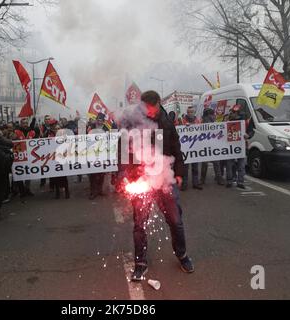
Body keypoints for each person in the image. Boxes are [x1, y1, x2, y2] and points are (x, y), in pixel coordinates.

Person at [119, 91, 194, 281]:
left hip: (164, 177)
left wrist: (178, 173)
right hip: (141, 177)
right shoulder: (132, 121)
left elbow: (176, 148)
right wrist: (123, 176)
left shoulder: (167, 121)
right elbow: (122, 149)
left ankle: (182, 255)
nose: (150, 114)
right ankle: (140, 263)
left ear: (159, 104)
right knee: (140, 225)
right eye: (147, 111)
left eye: (153, 110)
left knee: (175, 221)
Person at [200, 108, 224, 186]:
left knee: (205, 164)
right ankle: (219, 178)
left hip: (206, 145)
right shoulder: (213, 120)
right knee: (216, 163)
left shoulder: (203, 121)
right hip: (213, 144)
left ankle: (202, 180)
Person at [181, 106, 203, 191]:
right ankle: (184, 184)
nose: (190, 113)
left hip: (195, 147)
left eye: (192, 112)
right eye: (189, 112)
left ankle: (195, 183)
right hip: (186, 147)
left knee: (195, 167)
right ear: (187, 112)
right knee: (185, 168)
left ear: (194, 113)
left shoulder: (198, 121)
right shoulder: (182, 121)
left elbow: (202, 132)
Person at [87, 113, 108, 200]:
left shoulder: (106, 128)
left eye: (101, 120)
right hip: (92, 152)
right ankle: (93, 191)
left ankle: (100, 190)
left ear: (103, 121)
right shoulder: (91, 127)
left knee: (101, 173)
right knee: (92, 174)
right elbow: (85, 137)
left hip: (102, 152)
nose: (99, 121)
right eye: (98, 119)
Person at [13, 118, 36, 198]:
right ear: (21, 124)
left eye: (26, 123)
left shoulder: (32, 132)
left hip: (30, 156)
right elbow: (12, 142)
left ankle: (27, 189)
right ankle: (20, 190)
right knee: (20, 173)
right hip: (19, 157)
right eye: (24, 123)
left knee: (28, 173)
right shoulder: (16, 132)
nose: (25, 125)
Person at [226, 105, 247, 189]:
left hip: (240, 146)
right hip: (229, 146)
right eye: (232, 112)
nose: (232, 113)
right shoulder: (227, 121)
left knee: (241, 165)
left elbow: (250, 130)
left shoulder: (244, 122)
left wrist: (248, 135)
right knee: (229, 165)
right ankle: (229, 181)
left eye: (234, 112)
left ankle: (240, 182)